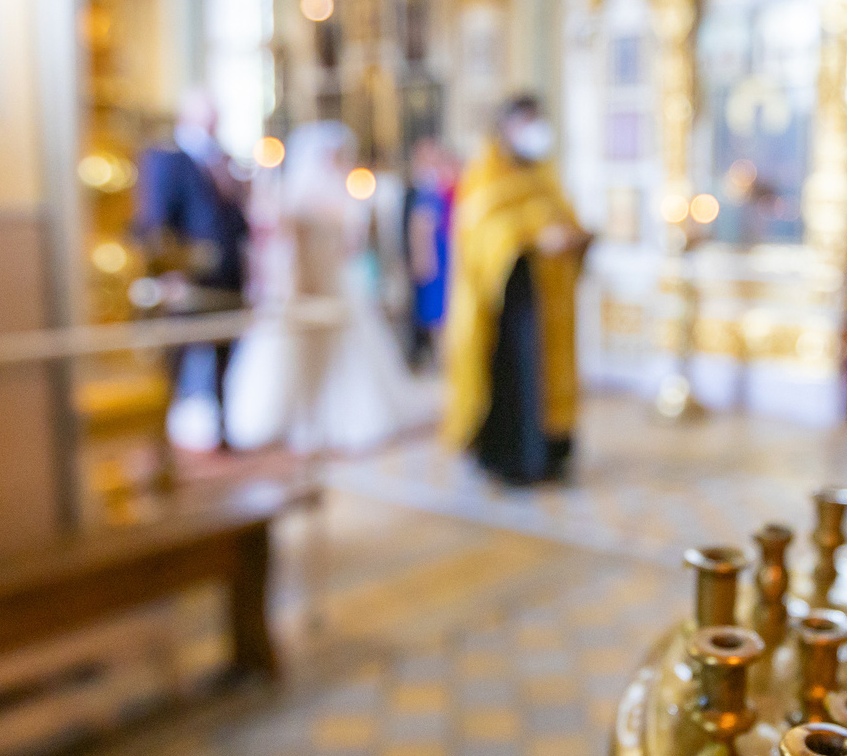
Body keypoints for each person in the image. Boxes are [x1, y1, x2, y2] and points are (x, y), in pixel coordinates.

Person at [220, 121, 430, 453]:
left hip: (337, 283)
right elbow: (278, 237)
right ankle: (298, 415)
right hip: (304, 286)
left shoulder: (345, 192)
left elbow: (353, 246)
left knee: (348, 348)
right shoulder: (293, 194)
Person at [442, 96, 592, 486]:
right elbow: (479, 231)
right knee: (515, 377)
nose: (533, 130)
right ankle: (511, 459)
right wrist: (532, 237)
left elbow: (562, 215)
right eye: (525, 122)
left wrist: (576, 237)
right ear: (505, 127)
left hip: (548, 297)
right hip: (507, 300)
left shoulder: (542, 171)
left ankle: (550, 454)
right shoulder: (486, 170)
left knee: (547, 373)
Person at [136, 88, 250, 449]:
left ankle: (223, 430)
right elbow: (155, 220)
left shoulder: (223, 160)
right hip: (187, 279)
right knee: (174, 361)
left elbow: (235, 219)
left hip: (227, 275)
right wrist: (167, 272)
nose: (214, 121)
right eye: (207, 113)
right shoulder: (166, 158)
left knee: (225, 356)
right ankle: (159, 444)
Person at [402, 137, 455, 369]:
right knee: (436, 314)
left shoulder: (442, 186)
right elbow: (420, 226)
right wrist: (422, 258)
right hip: (436, 257)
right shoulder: (427, 190)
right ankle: (439, 359)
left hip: (447, 254)